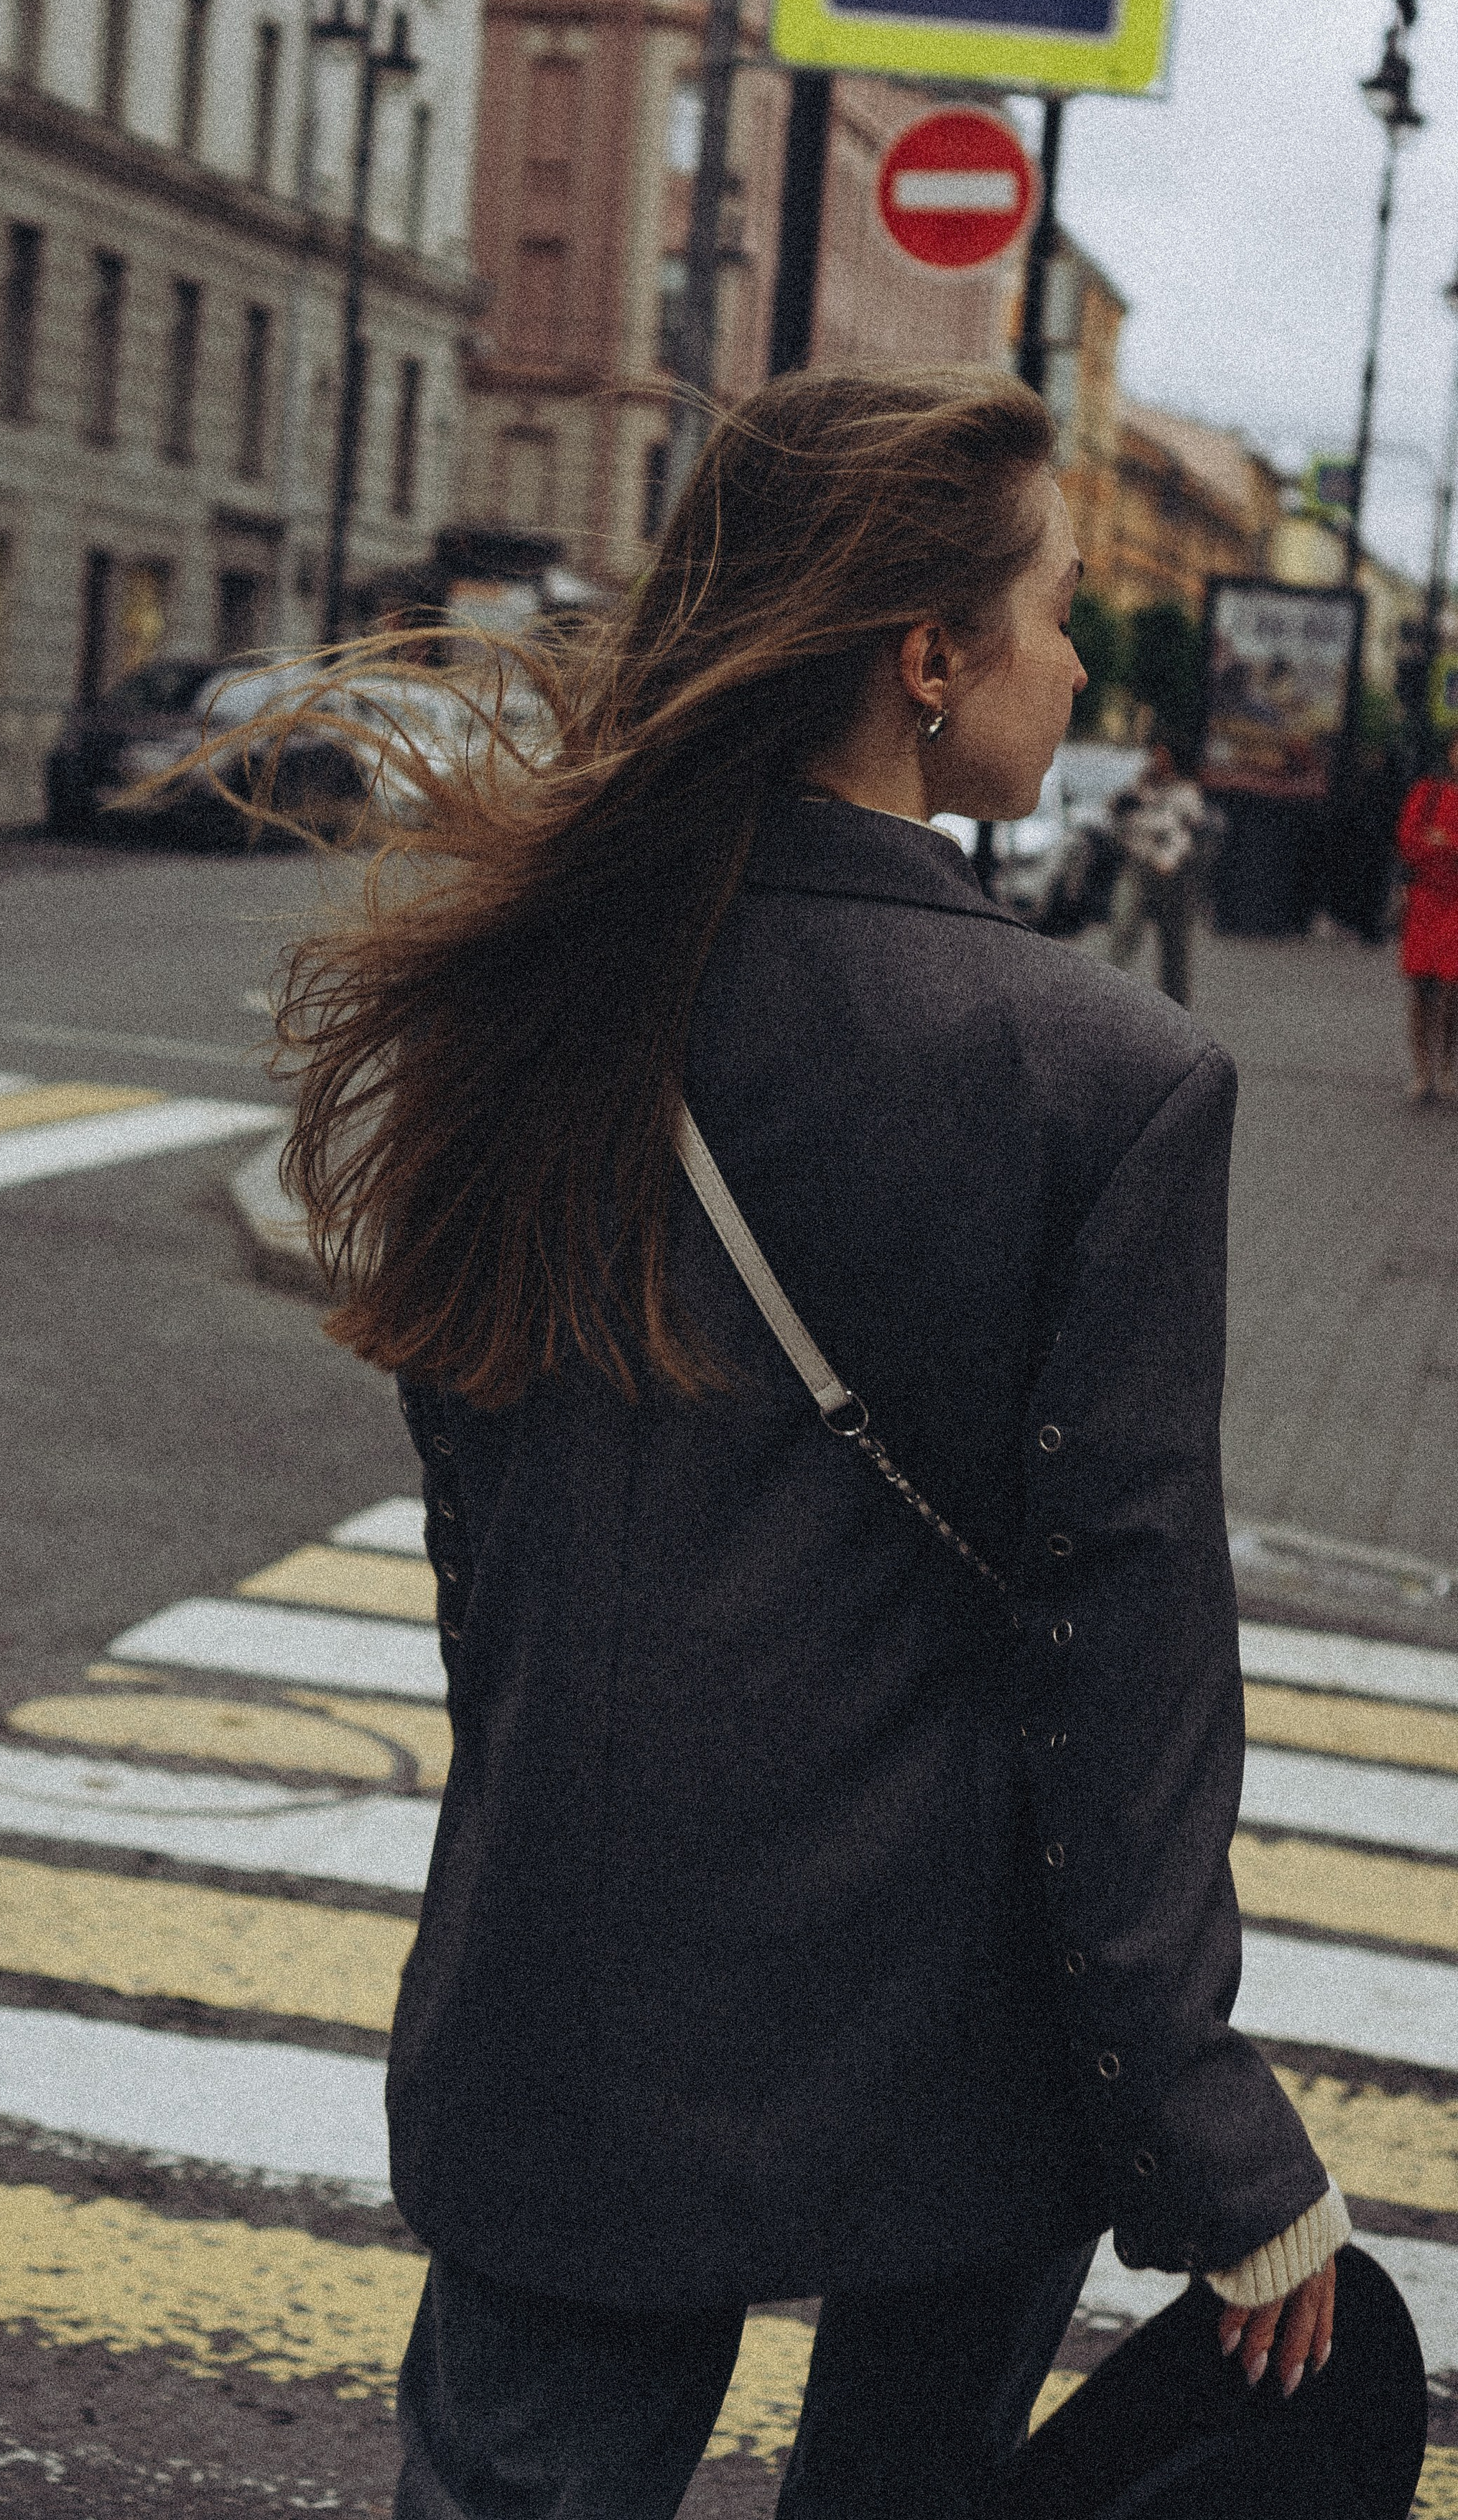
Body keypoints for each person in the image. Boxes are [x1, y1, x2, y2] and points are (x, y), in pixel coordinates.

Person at [269, 371, 1414, 2518]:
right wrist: (1204, 2121)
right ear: (926, 658)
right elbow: (1122, 1650)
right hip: (953, 2026)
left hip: (571, 1984)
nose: (1076, 663)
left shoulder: (531, 986)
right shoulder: (1105, 1076)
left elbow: (480, 1519)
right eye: (1052, 609)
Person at [1105, 741, 1209, 1005]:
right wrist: (1134, 794)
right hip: (1137, 867)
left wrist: (1171, 859)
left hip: (1172, 876)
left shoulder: (1186, 792)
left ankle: (1176, 1006)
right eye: (1155, 756)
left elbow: (1190, 832)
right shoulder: (1139, 787)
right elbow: (1115, 810)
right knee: (1123, 933)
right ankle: (1106, 995)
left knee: (1175, 946)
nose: (1157, 761)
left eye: (1163, 757)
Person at [1396, 735, 1458, 1100]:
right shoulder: (1427, 791)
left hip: (1454, 904)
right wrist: (1441, 845)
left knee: (1451, 988)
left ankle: (1447, 1065)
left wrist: (1444, 842)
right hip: (1424, 900)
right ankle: (1422, 1069)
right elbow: (1408, 842)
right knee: (1419, 986)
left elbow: (1431, 843)